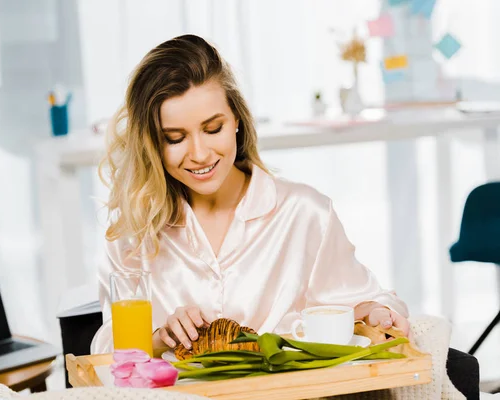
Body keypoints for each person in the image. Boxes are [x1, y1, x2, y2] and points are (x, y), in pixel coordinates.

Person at [90, 34, 410, 356]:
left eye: (213, 129)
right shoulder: (132, 233)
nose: (200, 154)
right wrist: (159, 338)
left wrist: (374, 312)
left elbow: (372, 303)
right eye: (175, 138)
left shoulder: (305, 213)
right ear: (152, 145)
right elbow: (106, 348)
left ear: (237, 121)